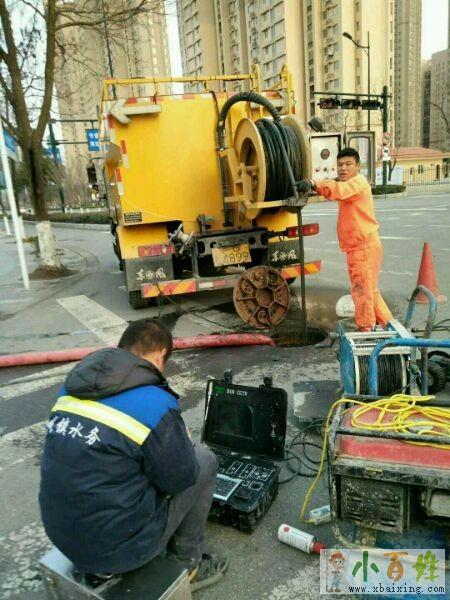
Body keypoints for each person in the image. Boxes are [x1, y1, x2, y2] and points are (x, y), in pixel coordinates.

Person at [39, 318, 228, 592]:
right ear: (161, 354)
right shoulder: (154, 402)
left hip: (61, 536)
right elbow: (180, 479)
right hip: (120, 551)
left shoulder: (71, 388)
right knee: (204, 460)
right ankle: (188, 563)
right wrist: (180, 445)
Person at [297, 147, 392, 331]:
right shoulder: (352, 185)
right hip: (361, 247)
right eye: (340, 164)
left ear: (358, 166)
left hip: (363, 248)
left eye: (348, 164)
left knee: (362, 292)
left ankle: (366, 330)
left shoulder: (357, 183)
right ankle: (389, 327)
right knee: (370, 291)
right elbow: (335, 186)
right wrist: (317, 186)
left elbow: (338, 189)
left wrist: (313, 183)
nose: (343, 168)